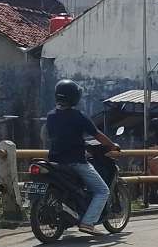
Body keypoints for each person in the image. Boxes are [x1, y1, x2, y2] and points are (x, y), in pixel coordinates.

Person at [45, 79, 121, 235]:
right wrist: (112, 146)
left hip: (55, 161)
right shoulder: (78, 116)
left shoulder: (51, 115)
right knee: (102, 191)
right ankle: (88, 222)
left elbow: (59, 136)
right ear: (74, 97)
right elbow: (97, 135)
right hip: (76, 162)